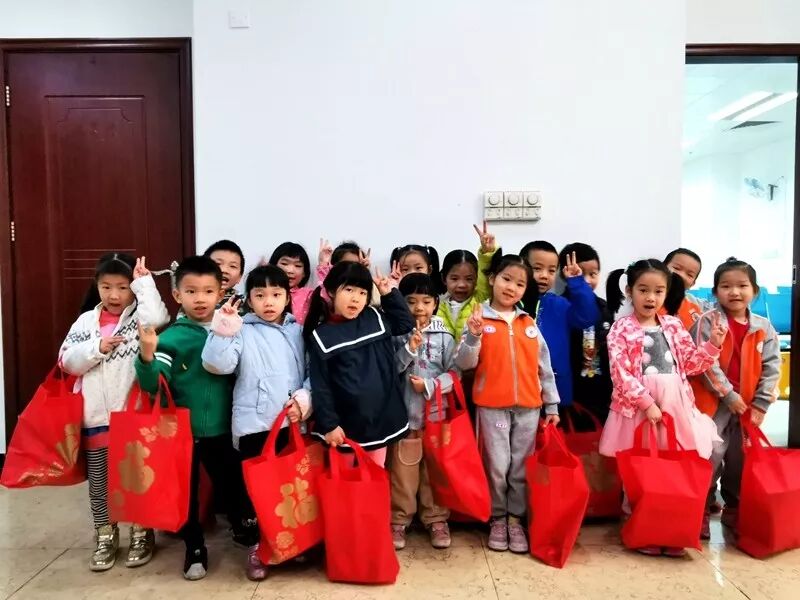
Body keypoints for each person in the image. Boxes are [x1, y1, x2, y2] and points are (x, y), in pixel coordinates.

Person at [136, 256, 253, 581]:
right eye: (191, 291)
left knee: (232, 484)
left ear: (221, 293)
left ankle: (243, 528)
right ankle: (195, 547)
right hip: (180, 433)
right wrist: (147, 355)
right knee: (185, 493)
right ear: (177, 295)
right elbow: (152, 385)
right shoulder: (171, 338)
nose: (200, 299)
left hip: (224, 429)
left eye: (208, 291)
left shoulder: (234, 328)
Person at [599, 259, 726, 557]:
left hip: (675, 406)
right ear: (629, 291)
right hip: (638, 409)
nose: (651, 297)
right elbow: (620, 373)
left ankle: (667, 524)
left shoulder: (673, 325)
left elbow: (691, 364)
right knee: (641, 466)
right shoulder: (620, 329)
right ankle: (640, 526)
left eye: (658, 291)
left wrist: (712, 345)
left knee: (670, 467)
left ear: (666, 293)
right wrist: (646, 403)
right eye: (643, 290)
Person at [59, 253, 169, 572]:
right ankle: (105, 534)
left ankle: (141, 532)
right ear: (97, 286)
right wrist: (97, 348)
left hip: (132, 417)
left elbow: (158, 318)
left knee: (136, 478)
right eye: (106, 287)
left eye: (122, 287)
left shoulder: (139, 319)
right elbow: (66, 361)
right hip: (95, 418)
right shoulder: (85, 322)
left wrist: (144, 283)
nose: (114, 295)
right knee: (100, 483)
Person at [201, 265, 311, 580]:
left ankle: (290, 542)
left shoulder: (297, 331)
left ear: (288, 297)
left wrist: (304, 401)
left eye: (276, 294)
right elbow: (217, 365)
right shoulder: (241, 329)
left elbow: (311, 373)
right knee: (257, 491)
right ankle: (259, 547)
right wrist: (223, 328)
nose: (268, 301)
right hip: (254, 425)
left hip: (290, 423)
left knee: (288, 488)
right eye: (260, 295)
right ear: (249, 299)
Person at [455, 252, 560, 554]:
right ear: (492, 279)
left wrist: (551, 405)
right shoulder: (479, 319)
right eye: (506, 279)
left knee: (520, 467)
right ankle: (498, 518)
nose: (511, 287)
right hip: (492, 406)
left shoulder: (529, 324)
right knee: (497, 466)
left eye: (519, 284)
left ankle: (516, 520)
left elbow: (544, 368)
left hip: (529, 408)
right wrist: (473, 336)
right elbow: (463, 363)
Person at [689, 258, 781, 539]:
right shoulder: (707, 321)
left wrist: (761, 403)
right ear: (715, 291)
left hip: (748, 406)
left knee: (741, 456)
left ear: (755, 290)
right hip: (711, 404)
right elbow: (705, 363)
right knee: (710, 456)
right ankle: (701, 510)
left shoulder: (764, 327)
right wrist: (728, 395)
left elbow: (772, 366)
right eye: (726, 286)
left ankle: (735, 508)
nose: (735, 292)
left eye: (742, 286)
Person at [304, 261, 414, 466]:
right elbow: (321, 386)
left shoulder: (374, 317)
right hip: (345, 426)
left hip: (381, 419)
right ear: (331, 291)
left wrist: (388, 293)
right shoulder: (322, 335)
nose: (356, 298)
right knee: (344, 480)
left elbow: (405, 323)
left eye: (363, 293)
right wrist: (330, 425)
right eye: (349, 290)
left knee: (375, 474)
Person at [390, 273, 455, 551]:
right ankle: (399, 519)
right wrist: (409, 348)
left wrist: (430, 386)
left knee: (434, 470)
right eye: (411, 301)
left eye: (426, 301)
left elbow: (455, 373)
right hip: (405, 417)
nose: (419, 308)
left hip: (436, 417)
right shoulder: (396, 333)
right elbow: (391, 369)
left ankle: (436, 518)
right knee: (402, 471)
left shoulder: (445, 336)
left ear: (436, 303)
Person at [519, 241, 599, 409]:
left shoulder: (559, 305)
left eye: (551, 270)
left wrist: (577, 282)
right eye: (537, 268)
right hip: (517, 391)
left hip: (554, 394)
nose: (544, 276)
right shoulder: (510, 304)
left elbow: (588, 317)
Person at [559, 243, 614, 425]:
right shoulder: (560, 305)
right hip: (573, 387)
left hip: (601, 388)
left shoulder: (604, 307)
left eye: (593, 274)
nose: (588, 280)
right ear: (565, 273)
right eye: (581, 274)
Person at [436, 222, 498, 338]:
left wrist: (487, 253)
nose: (462, 285)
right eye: (454, 278)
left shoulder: (480, 300)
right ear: (444, 278)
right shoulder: (436, 306)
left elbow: (485, 275)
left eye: (469, 279)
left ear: (477, 279)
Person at [663, 247, 711, 329]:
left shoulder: (697, 305)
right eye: (677, 268)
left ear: (693, 283)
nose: (681, 275)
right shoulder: (646, 298)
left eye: (690, 275)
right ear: (662, 267)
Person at [267, 241, 314, 324]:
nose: (290, 270)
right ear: (272, 266)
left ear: (304, 273)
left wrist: (324, 266)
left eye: (298, 265)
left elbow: (326, 297)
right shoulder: (264, 292)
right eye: (284, 263)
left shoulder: (308, 295)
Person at [204, 239, 246, 310]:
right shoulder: (193, 298)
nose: (224, 270)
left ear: (240, 277)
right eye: (217, 264)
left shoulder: (244, 303)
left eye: (232, 266)